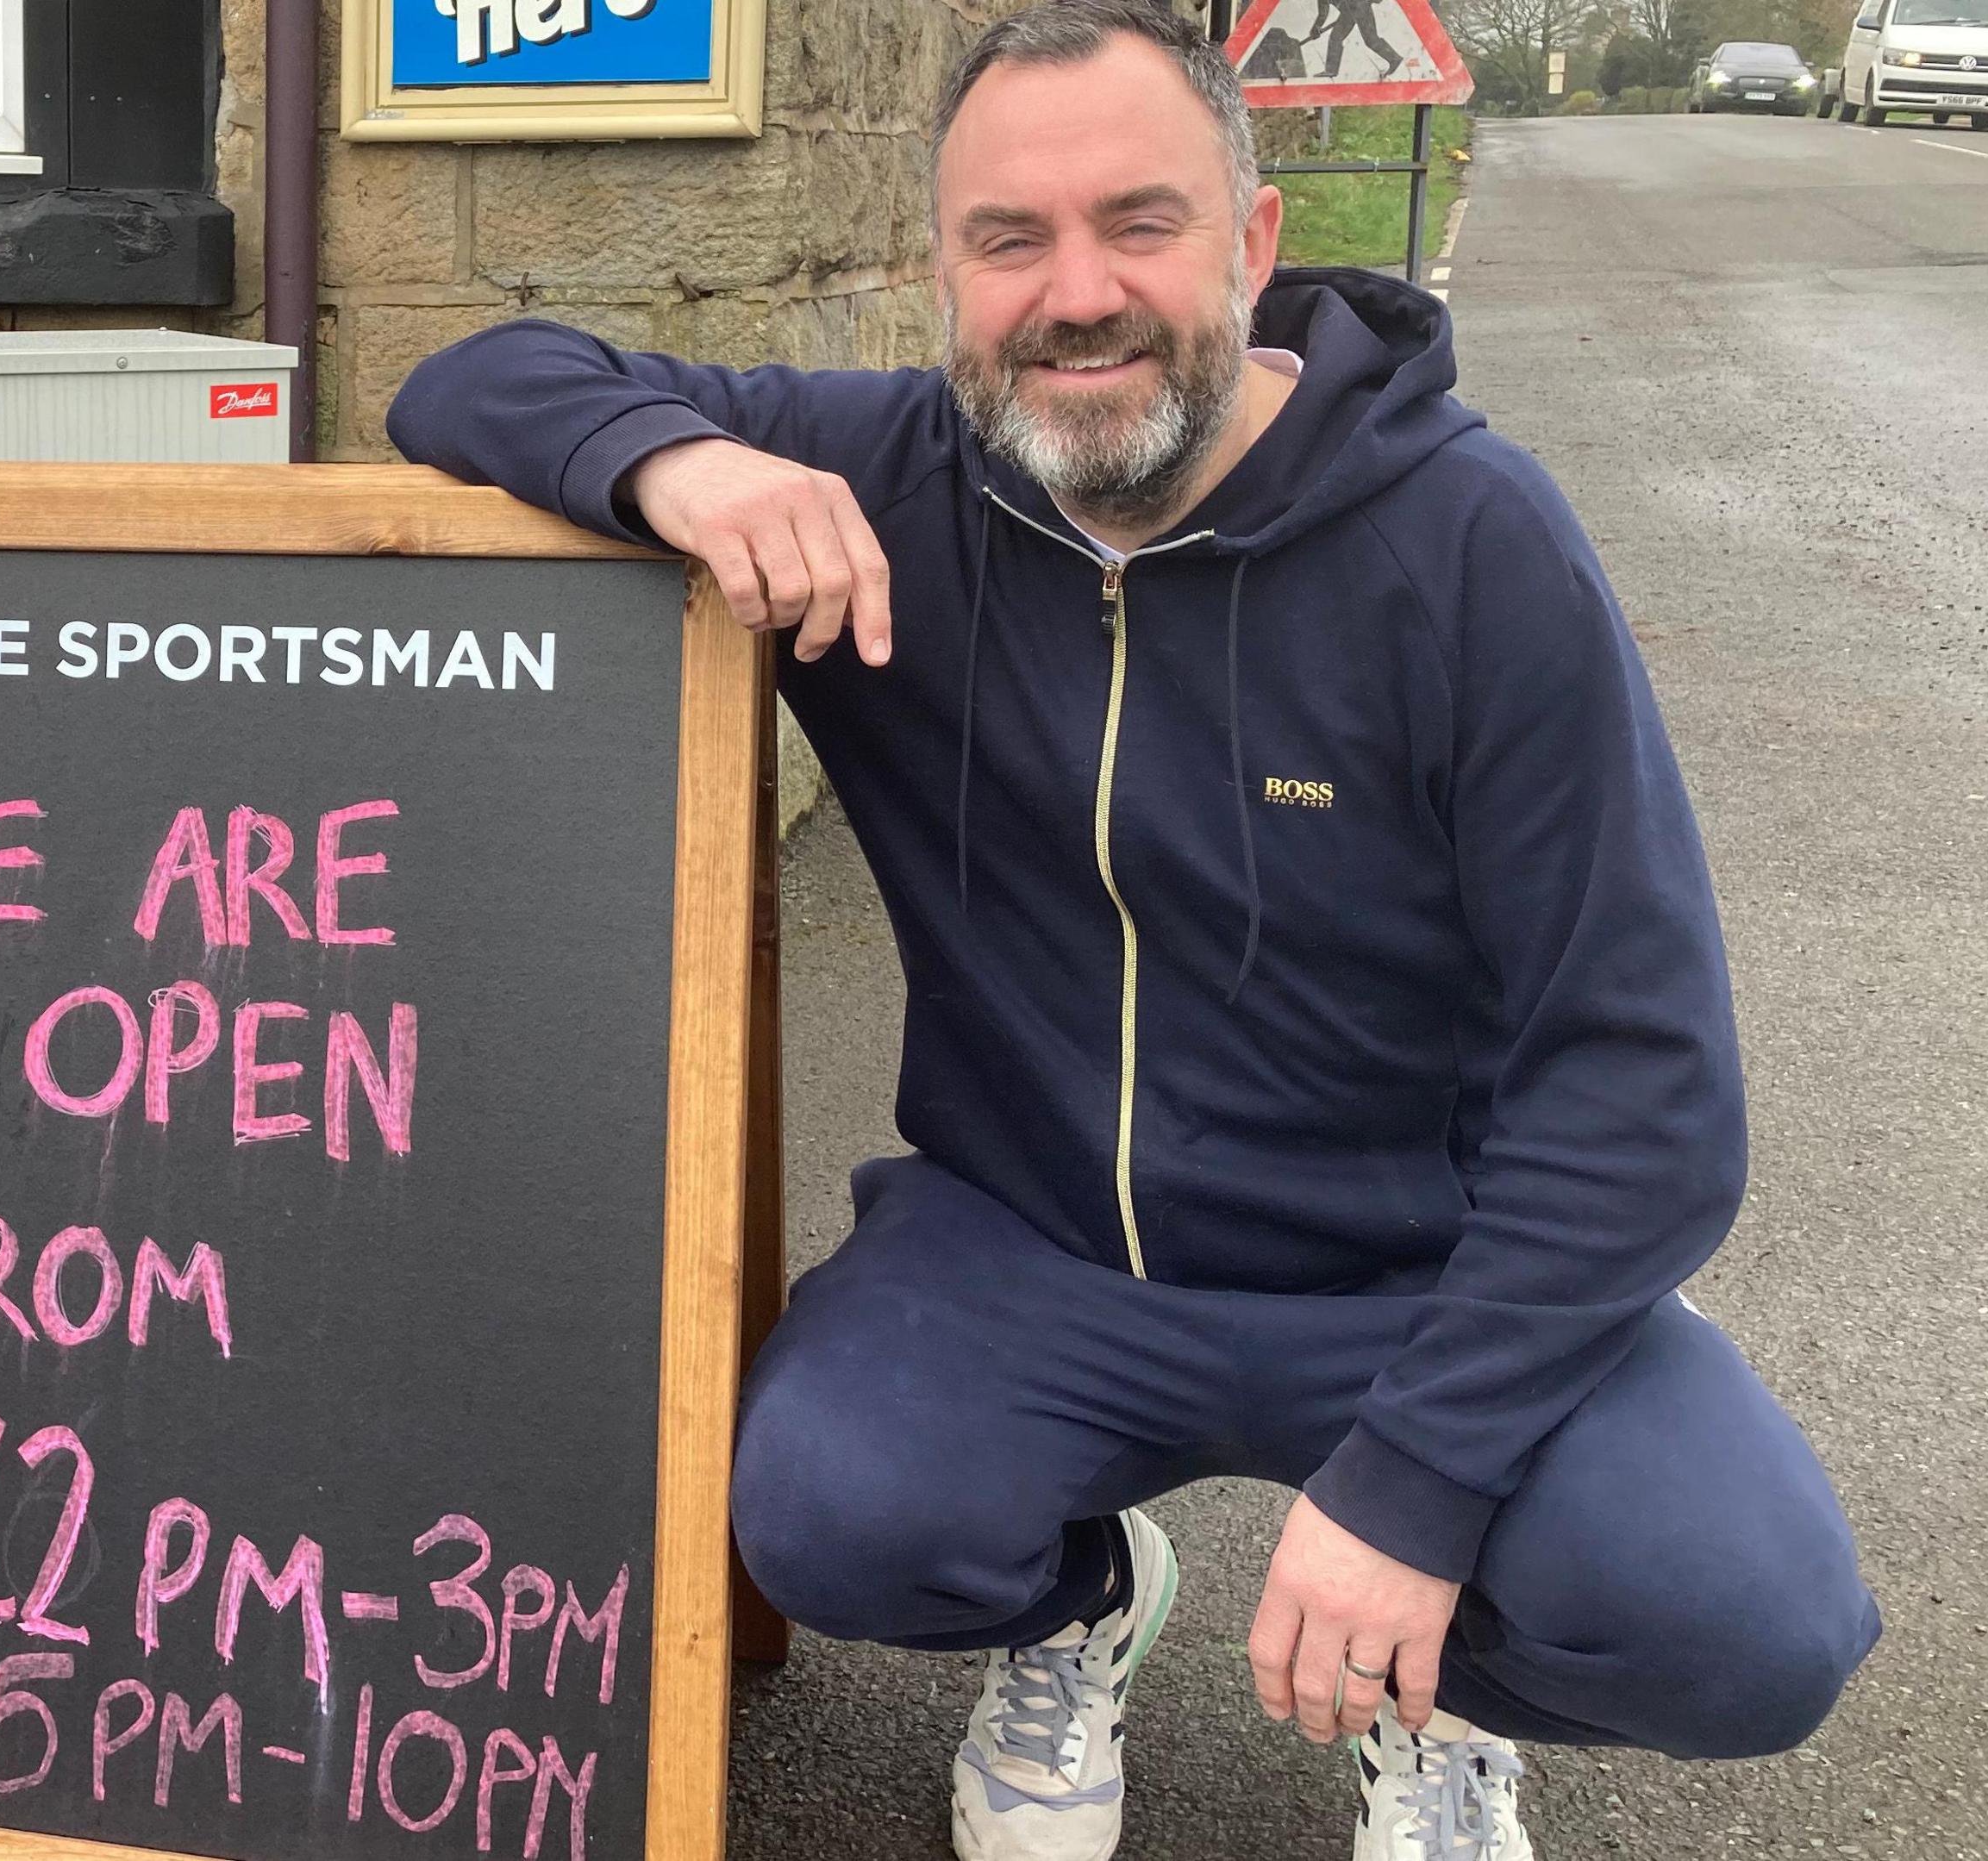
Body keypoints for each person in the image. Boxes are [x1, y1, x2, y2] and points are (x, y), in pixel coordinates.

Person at [387, 3, 1878, 1857]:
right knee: (825, 1512)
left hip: (1420, 1274)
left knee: (1750, 1627)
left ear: (1252, 244)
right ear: (942, 271)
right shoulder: (887, 485)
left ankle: (1434, 1701)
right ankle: (1083, 1604)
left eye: (1139, 223)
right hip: (1039, 1251)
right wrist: (672, 465)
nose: (1074, 292)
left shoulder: (1475, 544)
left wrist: (1415, 1487)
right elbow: (471, 377)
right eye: (1009, 239)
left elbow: (1643, 1080)